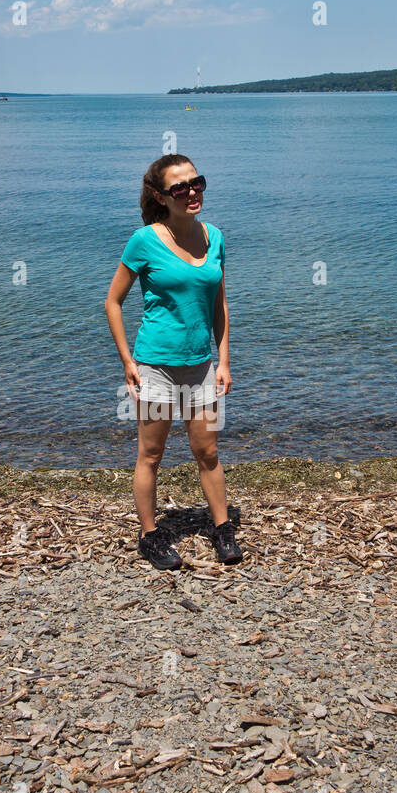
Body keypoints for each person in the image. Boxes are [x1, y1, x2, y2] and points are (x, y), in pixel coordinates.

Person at [104, 154, 241, 570]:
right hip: (156, 365)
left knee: (209, 451)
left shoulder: (214, 236)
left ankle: (221, 528)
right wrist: (127, 360)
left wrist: (224, 360)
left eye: (195, 182)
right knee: (151, 454)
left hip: (201, 365)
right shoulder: (144, 240)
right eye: (179, 187)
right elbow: (113, 302)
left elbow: (218, 303)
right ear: (162, 197)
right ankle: (150, 535)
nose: (191, 191)